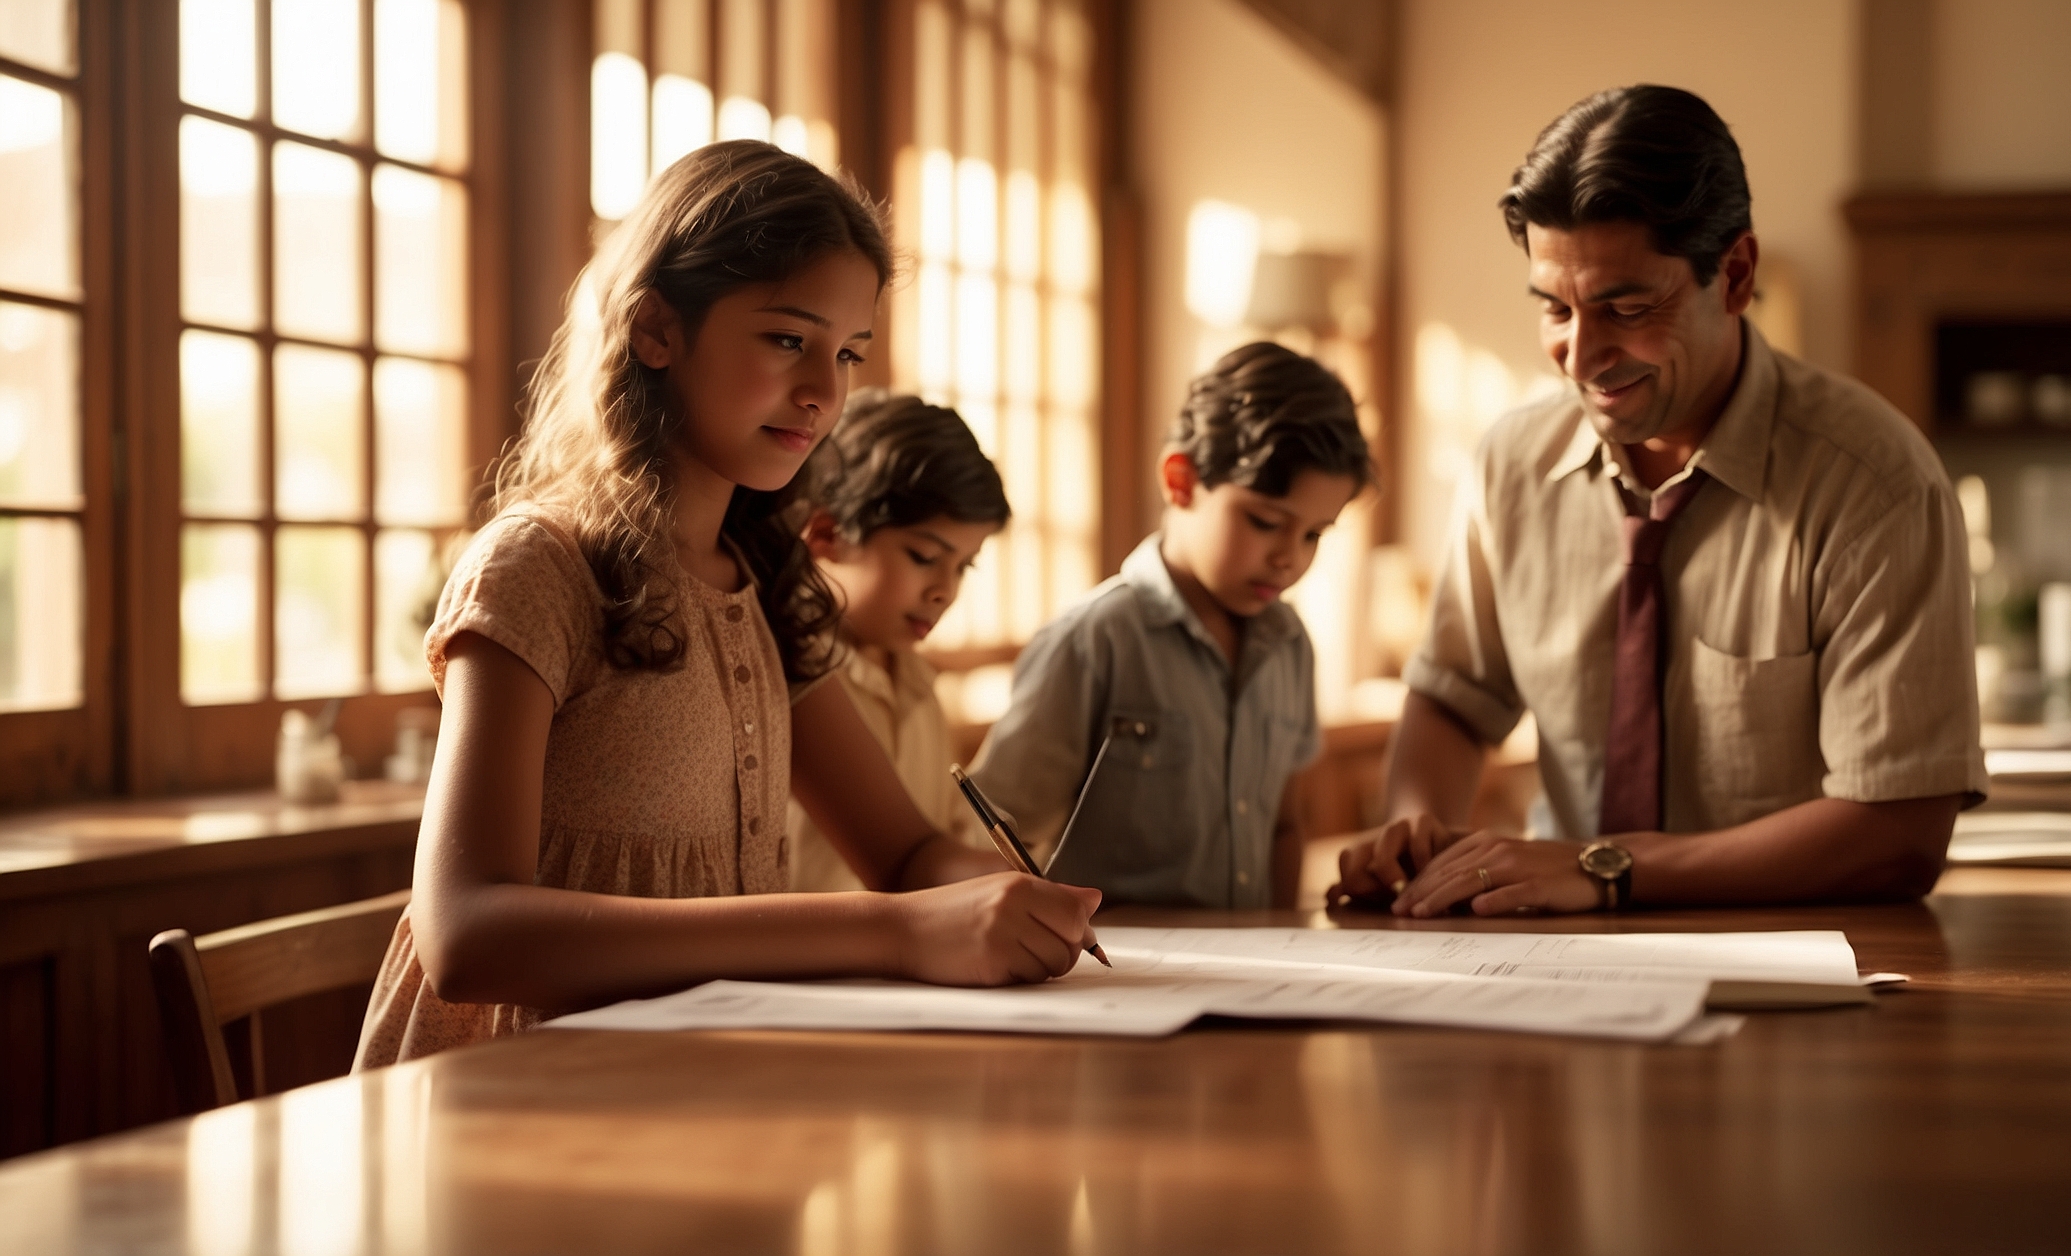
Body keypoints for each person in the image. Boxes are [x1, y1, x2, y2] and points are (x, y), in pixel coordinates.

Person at [355, 142, 1099, 1068]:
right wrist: (896, 931)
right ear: (656, 329)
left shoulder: (765, 585)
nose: (825, 392)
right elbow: (467, 936)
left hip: (701, 1082)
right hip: (518, 1100)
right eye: (788, 339)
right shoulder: (539, 568)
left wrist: (1012, 893)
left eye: (848, 353)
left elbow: (906, 853)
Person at [1329, 85, 1985, 918]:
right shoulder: (1510, 467)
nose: (1581, 356)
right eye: (1554, 310)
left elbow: (1901, 831)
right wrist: (1411, 828)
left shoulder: (1877, 485)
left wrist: (1606, 870)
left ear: (1737, 275)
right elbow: (1453, 698)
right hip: (1550, 956)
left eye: (1627, 309)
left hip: (1805, 973)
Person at [970, 342, 1373, 909]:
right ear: (1180, 481)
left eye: (1314, 534)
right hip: (1117, 980)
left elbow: (1284, 826)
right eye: (1265, 522)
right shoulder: (1094, 642)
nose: (1290, 557)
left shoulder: (1291, 646)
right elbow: (998, 840)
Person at [785, 391, 1009, 892]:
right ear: (826, 532)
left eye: (963, 566)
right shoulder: (783, 666)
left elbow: (949, 841)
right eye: (925, 556)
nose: (945, 591)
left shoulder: (916, 683)